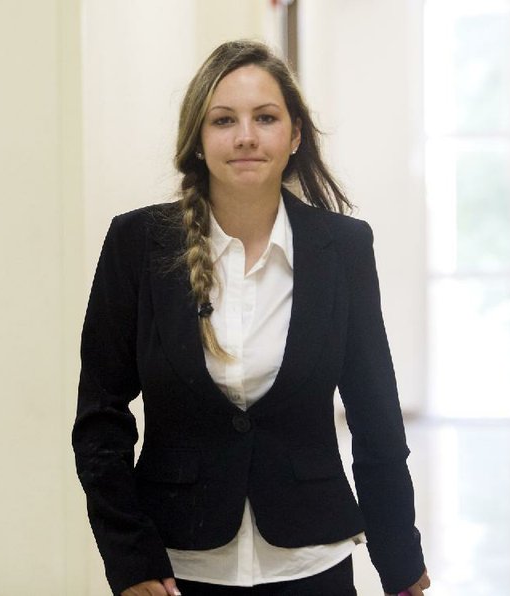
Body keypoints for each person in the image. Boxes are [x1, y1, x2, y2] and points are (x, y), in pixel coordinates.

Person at [72, 40, 430, 596]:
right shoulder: (137, 243)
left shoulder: (344, 248)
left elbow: (376, 417)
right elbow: (100, 419)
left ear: (295, 136)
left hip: (313, 563)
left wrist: (400, 558)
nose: (245, 136)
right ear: (198, 139)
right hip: (176, 567)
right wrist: (129, 556)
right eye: (223, 120)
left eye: (265, 118)